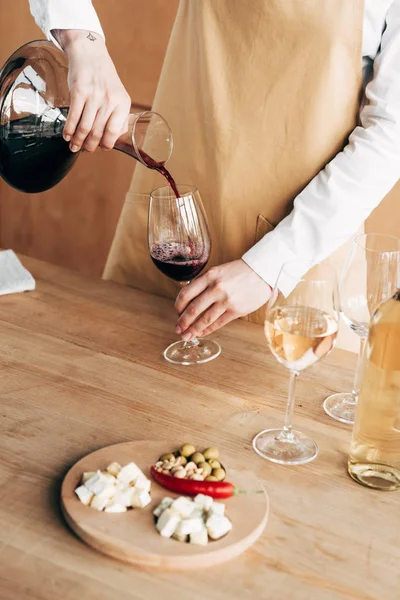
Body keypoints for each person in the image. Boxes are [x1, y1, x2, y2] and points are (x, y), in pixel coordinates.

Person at [29, 0, 400, 346]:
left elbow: (390, 133)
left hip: (298, 257)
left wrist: (272, 263)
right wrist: (83, 42)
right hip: (168, 223)